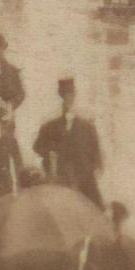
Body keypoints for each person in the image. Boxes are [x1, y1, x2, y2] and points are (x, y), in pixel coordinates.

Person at [33, 76, 104, 208]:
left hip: (84, 178)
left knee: (93, 210)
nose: (68, 99)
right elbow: (38, 147)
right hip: (61, 177)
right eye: (65, 95)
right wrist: (51, 152)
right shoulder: (51, 124)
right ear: (61, 96)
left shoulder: (86, 125)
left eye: (71, 95)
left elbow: (96, 152)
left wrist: (92, 169)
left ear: (75, 96)